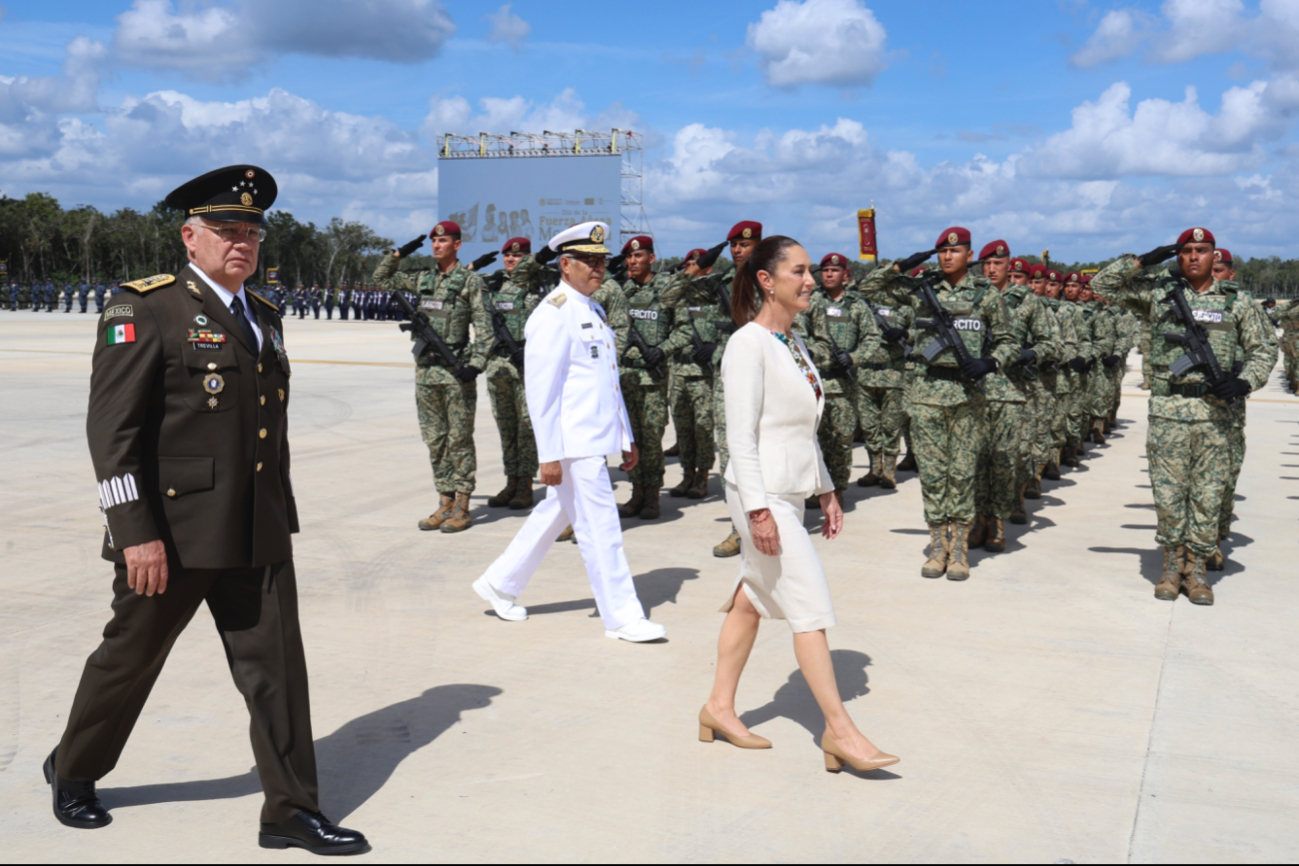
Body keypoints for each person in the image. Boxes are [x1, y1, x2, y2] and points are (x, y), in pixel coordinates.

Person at [46, 165, 367, 855]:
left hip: (256, 528)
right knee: (129, 659)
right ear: (189, 237)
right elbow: (113, 436)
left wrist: (278, 515)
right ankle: (73, 769)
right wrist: (135, 534)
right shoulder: (146, 308)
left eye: (251, 231)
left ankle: (289, 810)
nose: (241, 242)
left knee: (279, 673)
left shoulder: (266, 315)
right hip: (173, 534)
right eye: (225, 230)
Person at [699, 234, 897, 773]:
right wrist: (759, 511)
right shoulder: (748, 343)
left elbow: (804, 427)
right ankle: (840, 732)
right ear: (767, 280)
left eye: (811, 272)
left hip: (790, 490)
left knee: (749, 600)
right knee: (809, 607)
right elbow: (739, 437)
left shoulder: (794, 344)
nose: (811, 280)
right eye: (800, 271)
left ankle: (718, 707)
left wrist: (828, 487)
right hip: (759, 493)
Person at [471, 221, 667, 643]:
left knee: (553, 514)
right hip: (575, 443)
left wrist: (624, 435)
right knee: (601, 528)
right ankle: (621, 617)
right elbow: (541, 392)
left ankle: (500, 583)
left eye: (602, 261)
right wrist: (548, 456)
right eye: (589, 261)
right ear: (565, 264)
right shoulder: (553, 313)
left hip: (596, 437)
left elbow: (605, 381)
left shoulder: (591, 309)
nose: (599, 269)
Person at [1092, 229, 1277, 604]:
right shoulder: (1158, 295)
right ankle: (1171, 567)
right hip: (1169, 413)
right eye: (1187, 251)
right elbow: (1102, 285)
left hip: (1216, 414)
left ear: (1215, 257)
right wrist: (1144, 259)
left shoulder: (1237, 301)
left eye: (1202, 251)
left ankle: (1197, 572)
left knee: (1208, 497)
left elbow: (1264, 349)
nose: (1193, 257)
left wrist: (1244, 382)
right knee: (1169, 495)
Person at [862, 229, 1016, 580]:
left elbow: (1008, 341)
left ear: (969, 254)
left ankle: (959, 550)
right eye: (942, 252)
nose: (947, 257)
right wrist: (902, 265)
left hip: (967, 395)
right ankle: (937, 546)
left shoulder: (984, 294)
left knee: (961, 474)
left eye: (955, 251)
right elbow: (868, 289)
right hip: (927, 393)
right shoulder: (920, 290)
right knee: (932, 475)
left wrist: (990, 362)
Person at [373, 222, 491, 533]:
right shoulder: (423, 278)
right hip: (426, 370)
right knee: (435, 439)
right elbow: (380, 277)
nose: (437, 245)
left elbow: (485, 327)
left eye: (443, 241)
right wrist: (400, 253)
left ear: (458, 245)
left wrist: (476, 364)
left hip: (456, 372)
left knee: (459, 439)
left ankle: (463, 507)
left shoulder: (469, 281)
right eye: (434, 241)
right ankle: (445, 502)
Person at [971, 242, 1061, 547]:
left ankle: (999, 519)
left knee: (1006, 460)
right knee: (975, 460)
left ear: (1009, 265)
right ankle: (978, 519)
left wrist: (1031, 353)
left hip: (1011, 390)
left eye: (998, 262)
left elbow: (1052, 343)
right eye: (986, 263)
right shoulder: (972, 297)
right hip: (974, 391)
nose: (991, 268)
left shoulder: (1028, 302)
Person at [613, 236, 690, 520]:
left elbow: (683, 330)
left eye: (638, 257)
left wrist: (662, 350)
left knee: (651, 439)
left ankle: (652, 496)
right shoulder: (622, 292)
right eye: (629, 258)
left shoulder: (667, 291)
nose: (632, 262)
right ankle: (636, 493)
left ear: (652, 259)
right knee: (629, 440)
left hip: (653, 380)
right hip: (625, 377)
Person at [805, 252, 881, 504]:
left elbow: (872, 338)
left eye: (834, 270)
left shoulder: (857, 305)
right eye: (825, 270)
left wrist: (855, 357)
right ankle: (817, 489)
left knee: (840, 442)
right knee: (814, 441)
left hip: (843, 384)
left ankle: (836, 491)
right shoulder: (811, 302)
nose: (828, 274)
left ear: (845, 275)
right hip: (814, 384)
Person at [482, 237, 548, 511]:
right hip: (498, 367)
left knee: (526, 427)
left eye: (517, 256)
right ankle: (511, 481)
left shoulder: (539, 286)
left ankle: (525, 485)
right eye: (507, 255)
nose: (510, 259)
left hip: (526, 368)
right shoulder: (494, 284)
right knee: (506, 427)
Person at [666, 248, 718, 500]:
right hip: (678, 370)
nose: (690, 268)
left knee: (703, 427)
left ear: (707, 269)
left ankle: (702, 478)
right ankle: (687, 475)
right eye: (688, 264)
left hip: (703, 374)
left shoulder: (717, 295)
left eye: (696, 265)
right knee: (683, 428)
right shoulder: (679, 296)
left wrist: (715, 348)